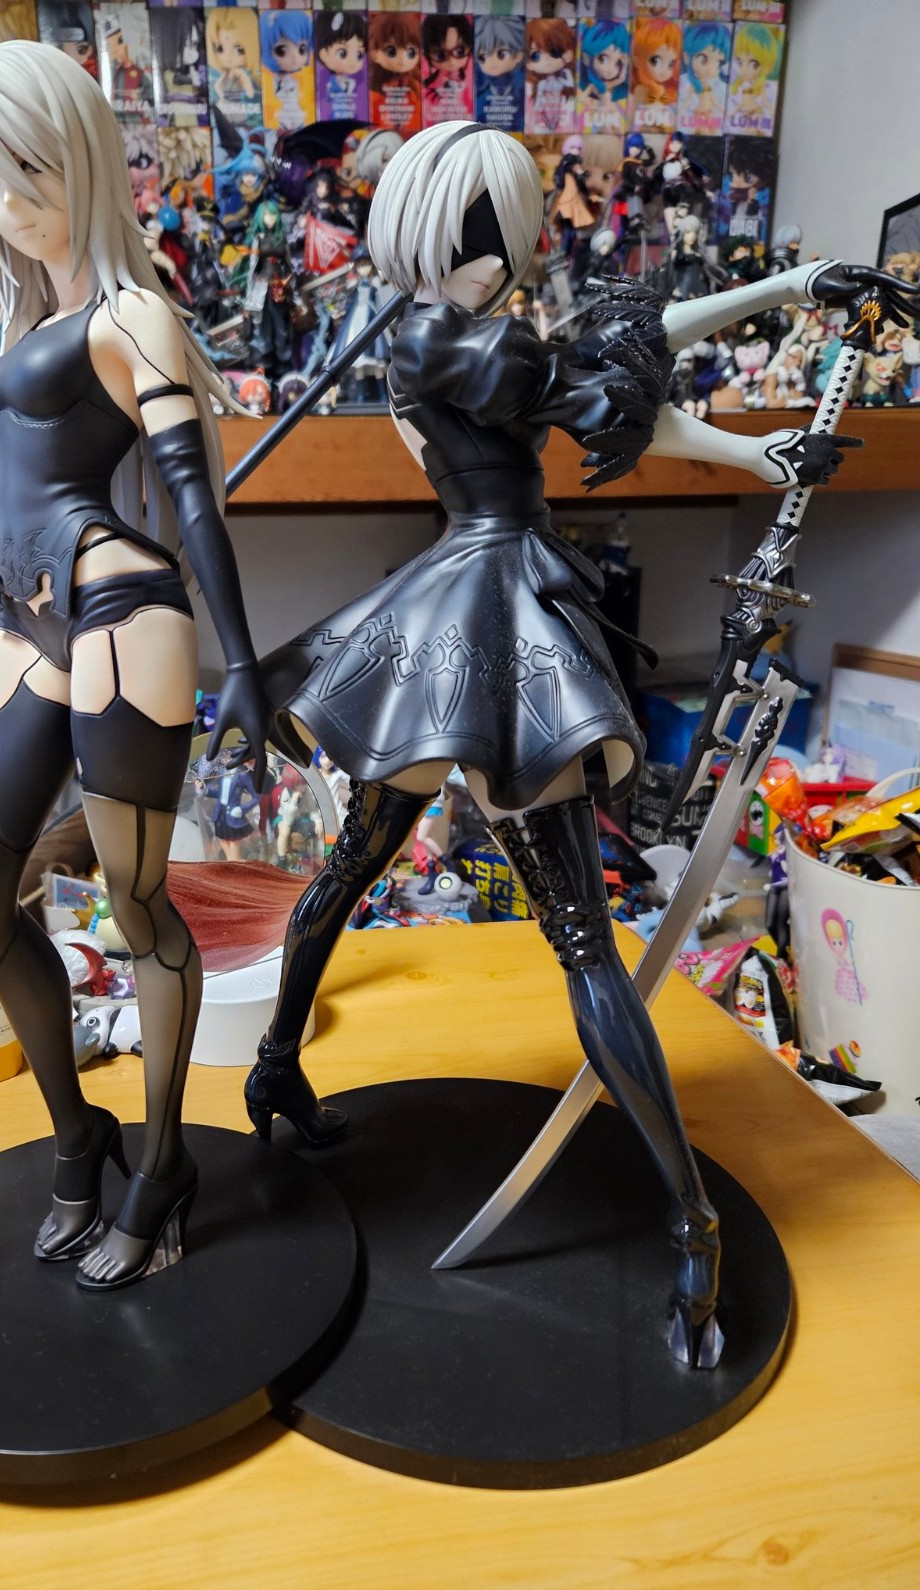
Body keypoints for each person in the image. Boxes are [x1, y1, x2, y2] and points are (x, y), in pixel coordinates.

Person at [245, 120, 905, 1369]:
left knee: (366, 861)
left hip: (477, 602)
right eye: (504, 233)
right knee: (555, 931)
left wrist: (790, 305)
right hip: (485, 617)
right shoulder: (442, 338)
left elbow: (611, 368)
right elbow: (611, 385)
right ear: (458, 235)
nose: (524, 252)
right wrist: (760, 411)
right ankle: (692, 1222)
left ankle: (277, 1063)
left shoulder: (458, 330)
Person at [0, 41, 270, 1290]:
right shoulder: (24, 318)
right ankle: (80, 1134)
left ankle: (164, 1157)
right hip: (21, 627)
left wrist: (243, 663)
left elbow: (195, 503)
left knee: (137, 904)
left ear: (80, 156)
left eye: (26, 168)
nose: (6, 199)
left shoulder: (134, 315)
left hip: (124, 611)